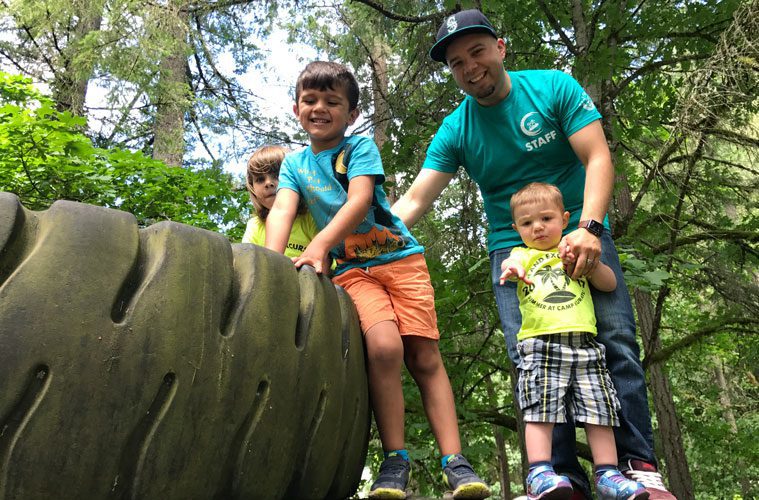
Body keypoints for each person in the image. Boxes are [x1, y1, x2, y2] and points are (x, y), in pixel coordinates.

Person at [391, 9, 676, 500]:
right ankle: (559, 478)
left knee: (615, 343)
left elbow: (597, 156)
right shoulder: (457, 128)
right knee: (533, 357)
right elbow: (415, 199)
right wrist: (360, 242)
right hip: (512, 248)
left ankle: (637, 465)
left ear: (500, 48)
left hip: (579, 229)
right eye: (457, 63)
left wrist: (589, 227)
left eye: (476, 52)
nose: (469, 67)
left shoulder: (552, 88)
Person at [264, 61, 490, 500]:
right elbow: (282, 211)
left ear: (350, 114)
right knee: (384, 349)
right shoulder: (294, 165)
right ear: (296, 109)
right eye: (310, 101)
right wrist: (269, 265)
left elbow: (360, 198)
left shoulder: (360, 147)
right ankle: (395, 460)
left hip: (400, 261)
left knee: (423, 355)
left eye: (333, 102)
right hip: (352, 270)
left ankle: (454, 461)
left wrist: (320, 244)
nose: (320, 108)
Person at [498, 182, 647, 500]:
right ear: (516, 229)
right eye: (527, 223)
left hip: (585, 346)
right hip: (542, 347)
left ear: (565, 219)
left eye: (546, 218)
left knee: (599, 412)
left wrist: (591, 268)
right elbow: (511, 265)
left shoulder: (574, 249)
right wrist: (510, 267)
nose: (537, 227)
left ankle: (607, 474)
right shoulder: (521, 253)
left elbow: (608, 284)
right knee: (540, 411)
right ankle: (540, 471)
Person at [242, 145, 318, 257]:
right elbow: (246, 260)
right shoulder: (255, 225)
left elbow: (323, 262)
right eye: (260, 179)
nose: (268, 183)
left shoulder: (311, 217)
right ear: (252, 189)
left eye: (277, 175)